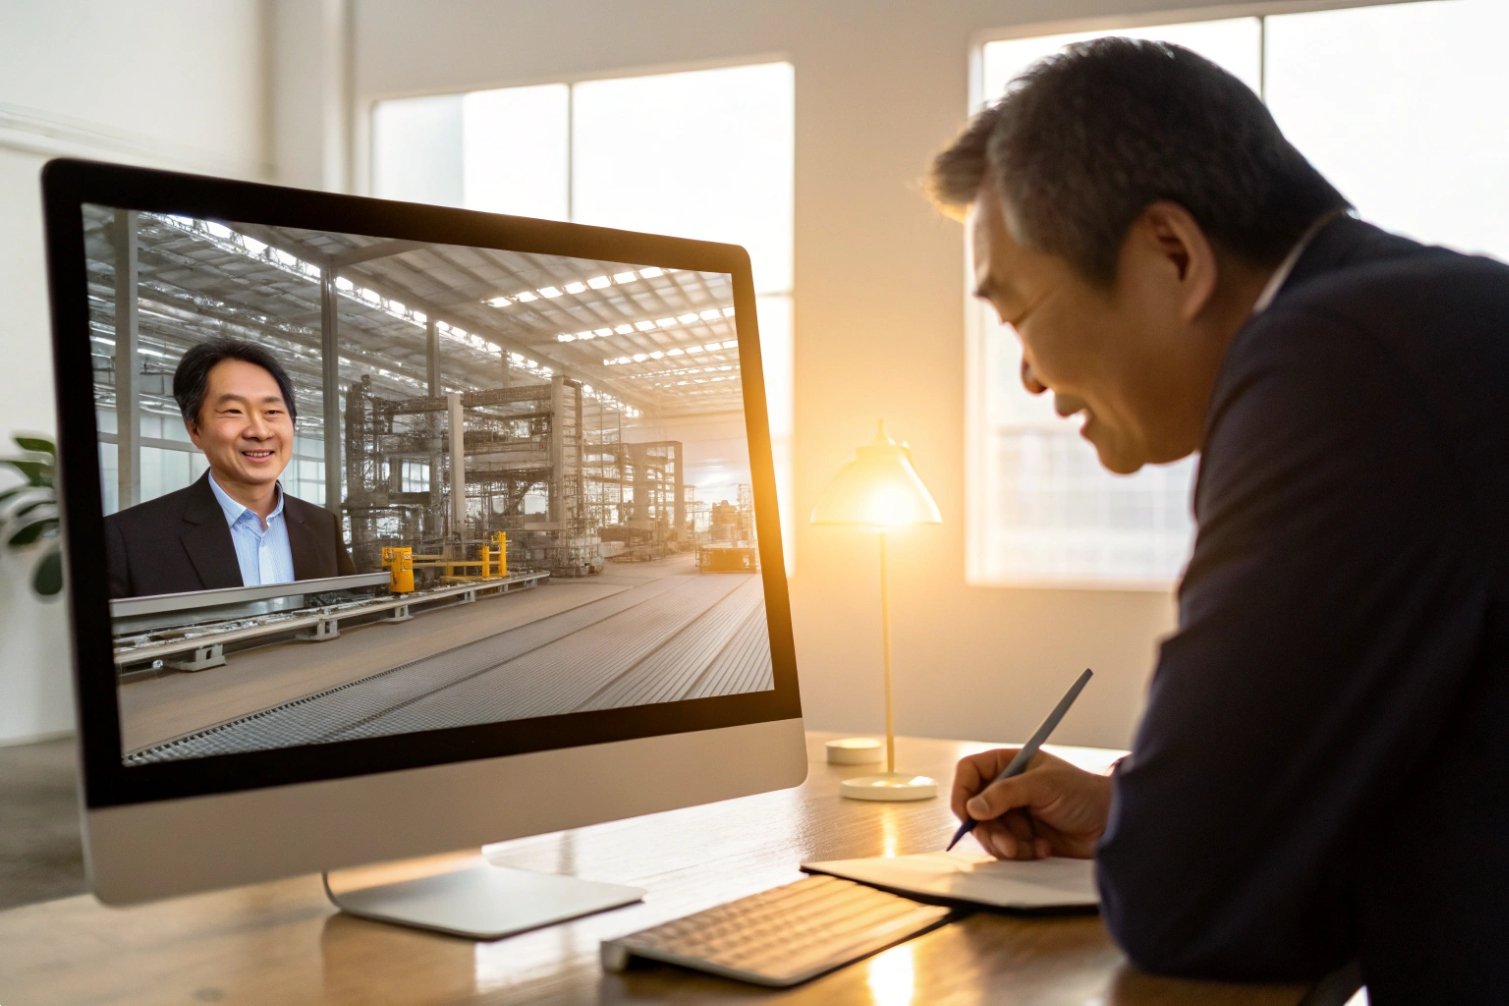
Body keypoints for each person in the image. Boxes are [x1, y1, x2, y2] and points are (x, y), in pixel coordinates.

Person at [928, 37, 1509, 1004]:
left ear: (1172, 253)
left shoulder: (1335, 370)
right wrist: (1126, 806)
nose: (1025, 373)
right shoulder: (1421, 323)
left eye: (1015, 313)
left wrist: (1162, 830)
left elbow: (1187, 898)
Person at [105, 338, 354, 599]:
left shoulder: (322, 526)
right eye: (233, 411)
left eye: (272, 411)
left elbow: (352, 616)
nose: (259, 431)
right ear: (195, 429)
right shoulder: (130, 540)